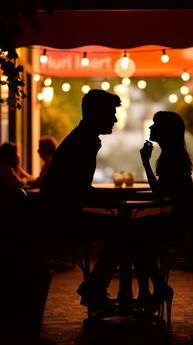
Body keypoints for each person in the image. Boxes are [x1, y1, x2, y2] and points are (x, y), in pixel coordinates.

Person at [40, 89, 122, 311]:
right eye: (111, 113)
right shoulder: (86, 141)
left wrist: (107, 197)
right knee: (122, 231)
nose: (115, 119)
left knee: (121, 230)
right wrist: (111, 199)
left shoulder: (81, 137)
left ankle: (95, 288)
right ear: (97, 113)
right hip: (62, 219)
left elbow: (76, 187)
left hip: (56, 215)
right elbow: (77, 190)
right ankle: (95, 288)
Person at [133, 111, 193, 312]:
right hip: (183, 218)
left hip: (180, 221)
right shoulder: (174, 154)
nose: (150, 128)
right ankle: (151, 291)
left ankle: (153, 290)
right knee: (135, 233)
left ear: (166, 131)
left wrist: (145, 163)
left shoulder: (172, 158)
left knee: (135, 234)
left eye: (155, 125)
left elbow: (158, 194)